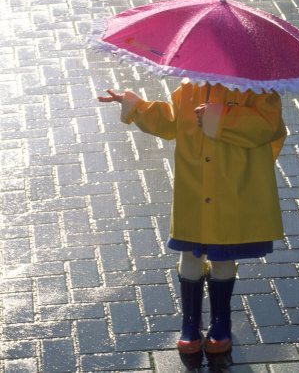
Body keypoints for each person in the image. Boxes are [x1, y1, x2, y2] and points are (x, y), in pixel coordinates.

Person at [98, 79, 287, 358]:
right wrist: (135, 105)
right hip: (194, 187)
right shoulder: (190, 87)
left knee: (223, 255)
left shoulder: (256, 87)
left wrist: (220, 117)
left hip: (231, 187)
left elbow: (269, 126)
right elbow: (171, 121)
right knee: (190, 253)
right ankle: (190, 322)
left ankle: (220, 321)